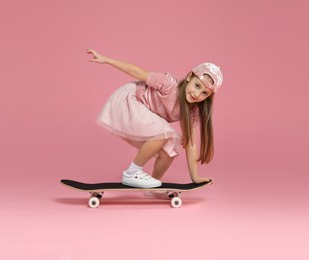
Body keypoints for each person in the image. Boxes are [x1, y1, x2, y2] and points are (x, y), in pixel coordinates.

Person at [86, 49, 223, 189]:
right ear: (189, 77)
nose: (197, 94)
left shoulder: (192, 110)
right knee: (162, 132)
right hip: (130, 100)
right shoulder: (169, 83)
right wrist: (107, 60)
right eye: (197, 85)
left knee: (169, 154)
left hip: (144, 114)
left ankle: (153, 186)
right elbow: (137, 72)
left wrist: (195, 177)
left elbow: (191, 144)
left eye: (204, 93)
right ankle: (131, 173)